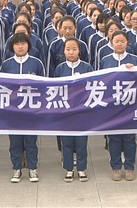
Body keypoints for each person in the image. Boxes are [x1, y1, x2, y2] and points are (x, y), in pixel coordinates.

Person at [0, 33, 45, 183]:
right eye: (17, 44)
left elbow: (43, 86)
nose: (20, 46)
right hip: (13, 111)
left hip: (31, 110)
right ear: (12, 46)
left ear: (28, 45)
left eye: (23, 43)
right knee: (15, 142)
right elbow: (1, 87)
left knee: (31, 141)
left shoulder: (36, 63)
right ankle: (16, 169)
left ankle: (33, 168)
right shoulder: (6, 64)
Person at [100, 30, 137, 181]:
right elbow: (100, 81)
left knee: (130, 138)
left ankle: (130, 167)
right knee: (114, 138)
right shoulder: (105, 60)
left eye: (122, 41)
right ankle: (116, 167)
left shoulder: (134, 59)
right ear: (111, 42)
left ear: (127, 43)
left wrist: (134, 71)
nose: (119, 44)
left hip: (130, 106)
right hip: (112, 106)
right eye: (116, 41)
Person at [53, 37, 93, 182]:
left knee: (81, 142)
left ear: (79, 51)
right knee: (67, 142)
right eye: (68, 49)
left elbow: (92, 88)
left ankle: (81, 169)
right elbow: (54, 89)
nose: (71, 52)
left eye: (74, 49)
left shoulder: (86, 67)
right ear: (64, 51)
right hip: (65, 112)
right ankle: (69, 169)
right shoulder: (60, 68)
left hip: (81, 112)